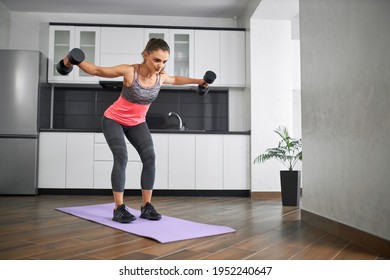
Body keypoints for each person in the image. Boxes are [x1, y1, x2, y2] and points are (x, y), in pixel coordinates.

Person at [62, 38, 209, 223]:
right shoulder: (130, 71)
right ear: (145, 55)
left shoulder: (160, 77)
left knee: (150, 158)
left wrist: (200, 81)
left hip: (137, 123)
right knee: (122, 156)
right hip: (113, 120)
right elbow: (98, 70)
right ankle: (119, 208)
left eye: (164, 61)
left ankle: (146, 207)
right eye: (156, 60)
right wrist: (75, 60)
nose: (160, 65)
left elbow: (176, 79)